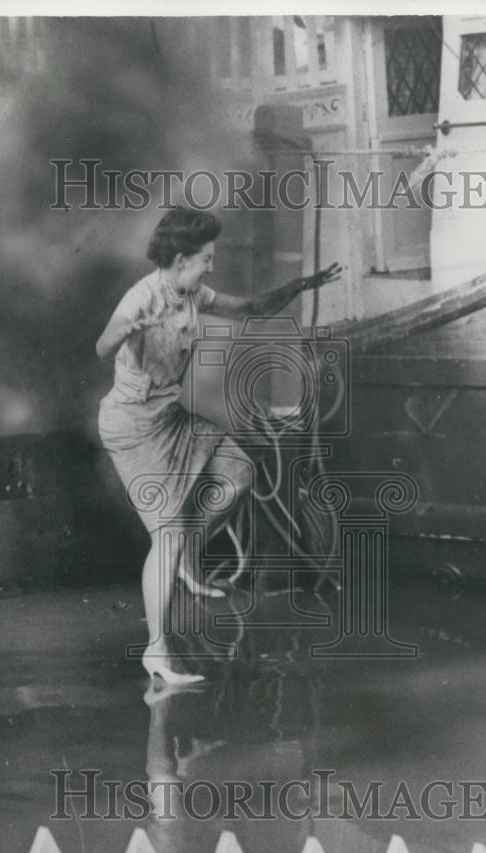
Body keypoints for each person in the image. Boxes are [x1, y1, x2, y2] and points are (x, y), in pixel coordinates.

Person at [97, 207, 341, 685]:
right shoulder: (142, 296)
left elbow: (250, 309)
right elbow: (103, 346)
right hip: (133, 427)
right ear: (182, 259)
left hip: (170, 418)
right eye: (206, 258)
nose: (212, 264)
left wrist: (300, 285)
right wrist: (123, 331)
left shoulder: (192, 292)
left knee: (238, 474)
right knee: (165, 535)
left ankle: (187, 553)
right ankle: (157, 650)